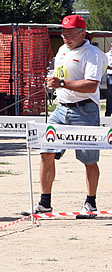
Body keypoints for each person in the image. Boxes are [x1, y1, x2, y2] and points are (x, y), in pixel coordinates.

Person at [30, 15, 106, 216]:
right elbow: (60, 74)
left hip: (85, 110)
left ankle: (91, 202)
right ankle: (44, 202)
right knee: (46, 152)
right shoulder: (62, 50)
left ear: (83, 33)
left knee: (89, 158)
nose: (66, 38)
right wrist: (53, 84)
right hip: (61, 109)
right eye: (64, 34)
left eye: (71, 34)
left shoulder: (92, 54)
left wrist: (61, 84)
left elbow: (91, 84)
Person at [106, 41, 112, 117]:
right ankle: (108, 113)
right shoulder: (106, 55)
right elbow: (105, 65)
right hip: (110, 76)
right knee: (110, 95)